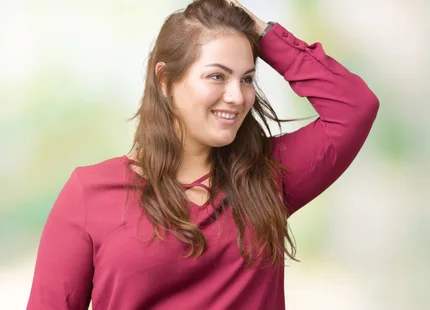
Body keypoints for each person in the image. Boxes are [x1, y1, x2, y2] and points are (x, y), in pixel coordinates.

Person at [26, 0, 379, 309]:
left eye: (246, 79)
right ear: (165, 81)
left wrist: (262, 32)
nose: (237, 97)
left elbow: (354, 107)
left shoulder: (266, 175)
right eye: (217, 76)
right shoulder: (89, 193)